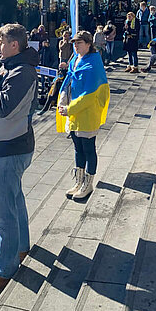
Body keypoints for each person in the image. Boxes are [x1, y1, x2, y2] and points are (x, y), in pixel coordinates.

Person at [0, 23, 37, 298]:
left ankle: (5, 269)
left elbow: (2, 104)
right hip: (9, 146)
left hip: (9, 149)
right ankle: (20, 247)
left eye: (1, 43)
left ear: (14, 45)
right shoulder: (15, 68)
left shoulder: (21, 71)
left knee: (3, 212)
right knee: (15, 199)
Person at [58, 32, 107, 201]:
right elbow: (68, 82)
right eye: (74, 43)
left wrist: (69, 108)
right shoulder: (75, 60)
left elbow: (90, 95)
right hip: (73, 114)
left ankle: (88, 183)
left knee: (88, 149)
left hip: (86, 113)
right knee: (78, 149)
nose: (76, 46)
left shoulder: (93, 63)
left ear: (88, 44)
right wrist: (62, 100)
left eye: (79, 43)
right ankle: (79, 182)